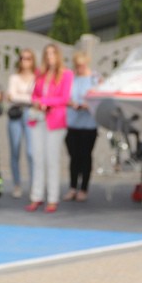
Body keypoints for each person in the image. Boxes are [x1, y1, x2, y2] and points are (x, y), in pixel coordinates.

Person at [26, 43, 72, 212]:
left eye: (53, 53)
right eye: (47, 53)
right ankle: (36, 196)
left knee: (51, 159)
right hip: (38, 119)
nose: (50, 56)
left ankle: (53, 198)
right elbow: (34, 94)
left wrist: (45, 102)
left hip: (55, 121)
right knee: (37, 158)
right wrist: (37, 102)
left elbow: (64, 98)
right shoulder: (40, 74)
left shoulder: (66, 74)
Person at [63, 52, 98, 202]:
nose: (79, 69)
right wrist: (71, 103)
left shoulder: (94, 78)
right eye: (77, 66)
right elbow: (65, 95)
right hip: (73, 124)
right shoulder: (71, 78)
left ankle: (84, 187)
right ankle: (72, 187)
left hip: (89, 125)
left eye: (82, 66)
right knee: (74, 157)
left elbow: (98, 98)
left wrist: (87, 105)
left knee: (85, 156)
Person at [4, 49, 36, 198]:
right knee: (15, 150)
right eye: (22, 58)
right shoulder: (14, 77)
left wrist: (19, 97)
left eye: (28, 58)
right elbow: (11, 96)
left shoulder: (36, 78)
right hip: (16, 115)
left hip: (30, 114)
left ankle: (34, 184)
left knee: (31, 151)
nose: (25, 61)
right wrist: (26, 97)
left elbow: (35, 98)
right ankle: (17, 184)